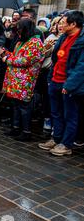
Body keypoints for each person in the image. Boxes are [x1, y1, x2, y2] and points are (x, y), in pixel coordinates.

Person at [39, 10, 84, 156]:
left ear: (73, 24)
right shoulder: (63, 37)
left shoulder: (81, 41)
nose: (60, 25)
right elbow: (55, 59)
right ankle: (56, 138)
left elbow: (81, 67)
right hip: (55, 80)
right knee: (55, 113)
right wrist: (51, 78)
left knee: (70, 114)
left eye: (64, 23)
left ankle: (66, 144)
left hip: (69, 84)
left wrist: (69, 85)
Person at [0, 19, 44, 141]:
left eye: (20, 29)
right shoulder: (21, 42)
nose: (18, 32)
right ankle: (15, 128)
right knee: (15, 104)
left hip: (26, 80)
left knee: (24, 106)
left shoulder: (35, 42)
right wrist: (6, 53)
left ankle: (26, 131)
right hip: (14, 80)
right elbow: (15, 57)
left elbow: (25, 61)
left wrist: (6, 59)